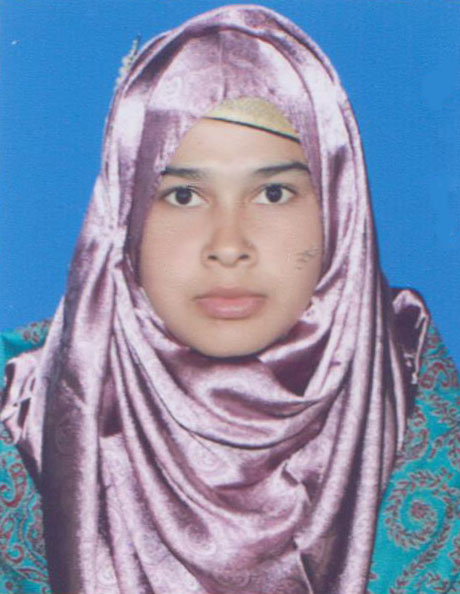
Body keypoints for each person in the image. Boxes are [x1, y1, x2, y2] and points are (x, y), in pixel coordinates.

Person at [0, 5, 458, 594]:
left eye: (274, 193)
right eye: (183, 196)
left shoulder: (426, 426)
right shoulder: (20, 423)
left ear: (339, 213)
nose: (228, 245)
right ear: (123, 218)